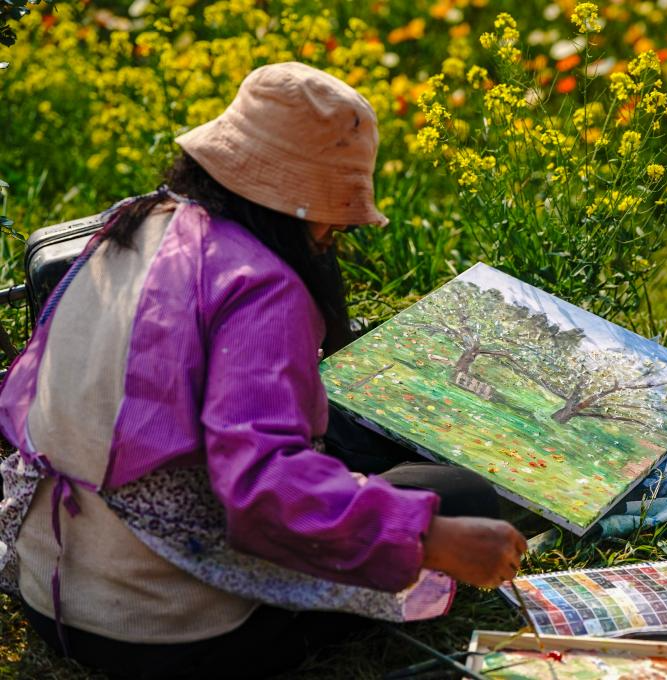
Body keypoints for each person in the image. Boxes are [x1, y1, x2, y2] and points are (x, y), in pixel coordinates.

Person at [0, 61, 527, 679]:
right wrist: (432, 540)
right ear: (304, 204)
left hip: (50, 588)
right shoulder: (259, 284)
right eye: (334, 217)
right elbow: (261, 488)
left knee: (363, 444)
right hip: (168, 633)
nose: (335, 233)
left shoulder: (133, 224)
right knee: (464, 496)